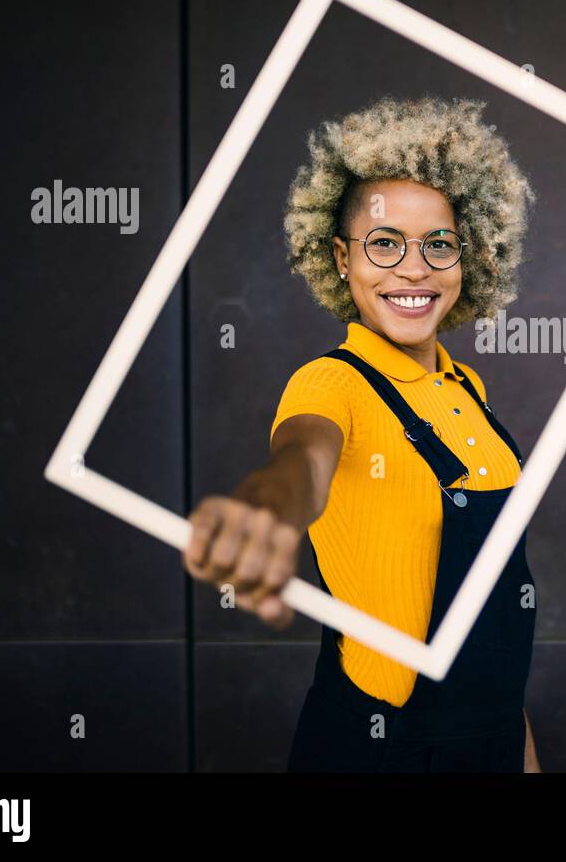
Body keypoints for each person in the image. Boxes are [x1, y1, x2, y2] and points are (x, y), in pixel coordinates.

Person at [183, 95, 543, 772]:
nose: (414, 268)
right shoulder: (332, 385)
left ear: (471, 256)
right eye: (384, 242)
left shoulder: (469, 392)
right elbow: (303, 460)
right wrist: (268, 510)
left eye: (439, 243)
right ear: (341, 258)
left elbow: (492, 624)